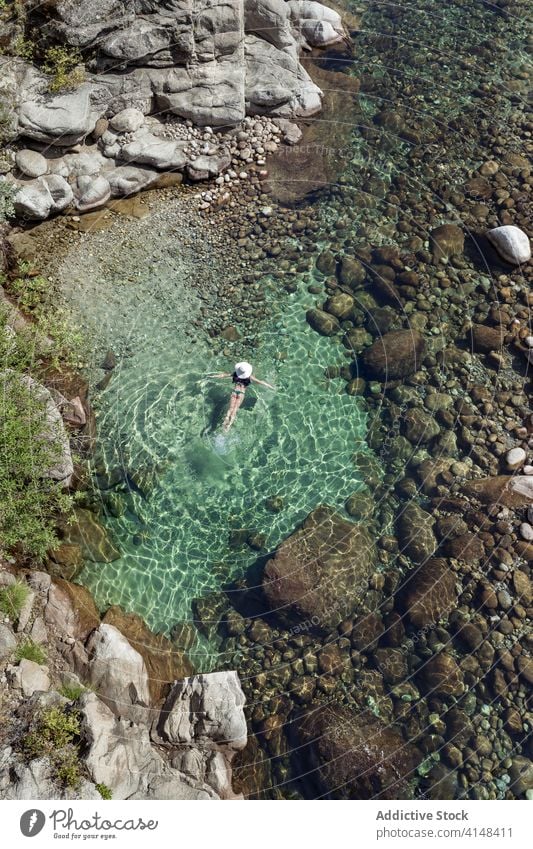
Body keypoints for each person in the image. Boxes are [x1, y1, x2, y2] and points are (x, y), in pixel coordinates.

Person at [212, 362, 274, 432]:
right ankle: (228, 426)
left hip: (234, 392)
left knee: (231, 408)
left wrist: (213, 376)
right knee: (235, 409)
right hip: (241, 393)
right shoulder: (250, 377)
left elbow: (223, 375)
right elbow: (260, 382)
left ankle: (225, 420)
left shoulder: (235, 374)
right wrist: (269, 386)